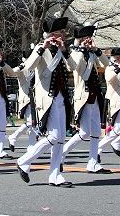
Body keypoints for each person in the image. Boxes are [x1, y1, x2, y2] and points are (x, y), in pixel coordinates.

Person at [16, 16, 74, 187]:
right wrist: (44, 48)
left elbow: (73, 67)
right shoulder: (42, 48)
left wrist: (64, 50)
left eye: (63, 32)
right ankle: (23, 160)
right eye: (61, 32)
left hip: (62, 97)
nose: (64, 35)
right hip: (47, 98)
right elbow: (29, 67)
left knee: (61, 137)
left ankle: (55, 175)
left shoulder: (61, 50)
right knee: (54, 136)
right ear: (51, 34)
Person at [61, 22, 112, 174]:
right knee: (84, 132)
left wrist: (95, 50)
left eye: (89, 37)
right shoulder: (74, 53)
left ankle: (93, 163)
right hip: (83, 96)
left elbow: (106, 63)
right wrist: (83, 50)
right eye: (85, 37)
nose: (88, 40)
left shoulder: (91, 53)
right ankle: (60, 154)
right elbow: (74, 67)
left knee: (96, 131)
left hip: (95, 96)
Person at [7, 48, 37, 153]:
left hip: (36, 99)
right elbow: (11, 72)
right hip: (26, 99)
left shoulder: (37, 67)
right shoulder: (23, 69)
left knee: (34, 123)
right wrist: (22, 65)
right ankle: (14, 137)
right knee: (31, 122)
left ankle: (31, 145)